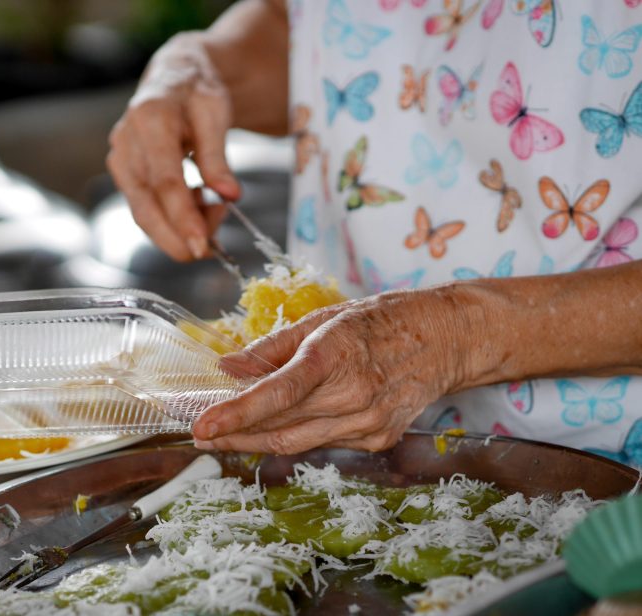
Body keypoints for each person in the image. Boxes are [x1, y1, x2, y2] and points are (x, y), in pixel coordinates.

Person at [106, 0, 642, 466]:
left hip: (610, 478)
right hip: (361, 456)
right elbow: (311, 29)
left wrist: (455, 336)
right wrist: (199, 67)